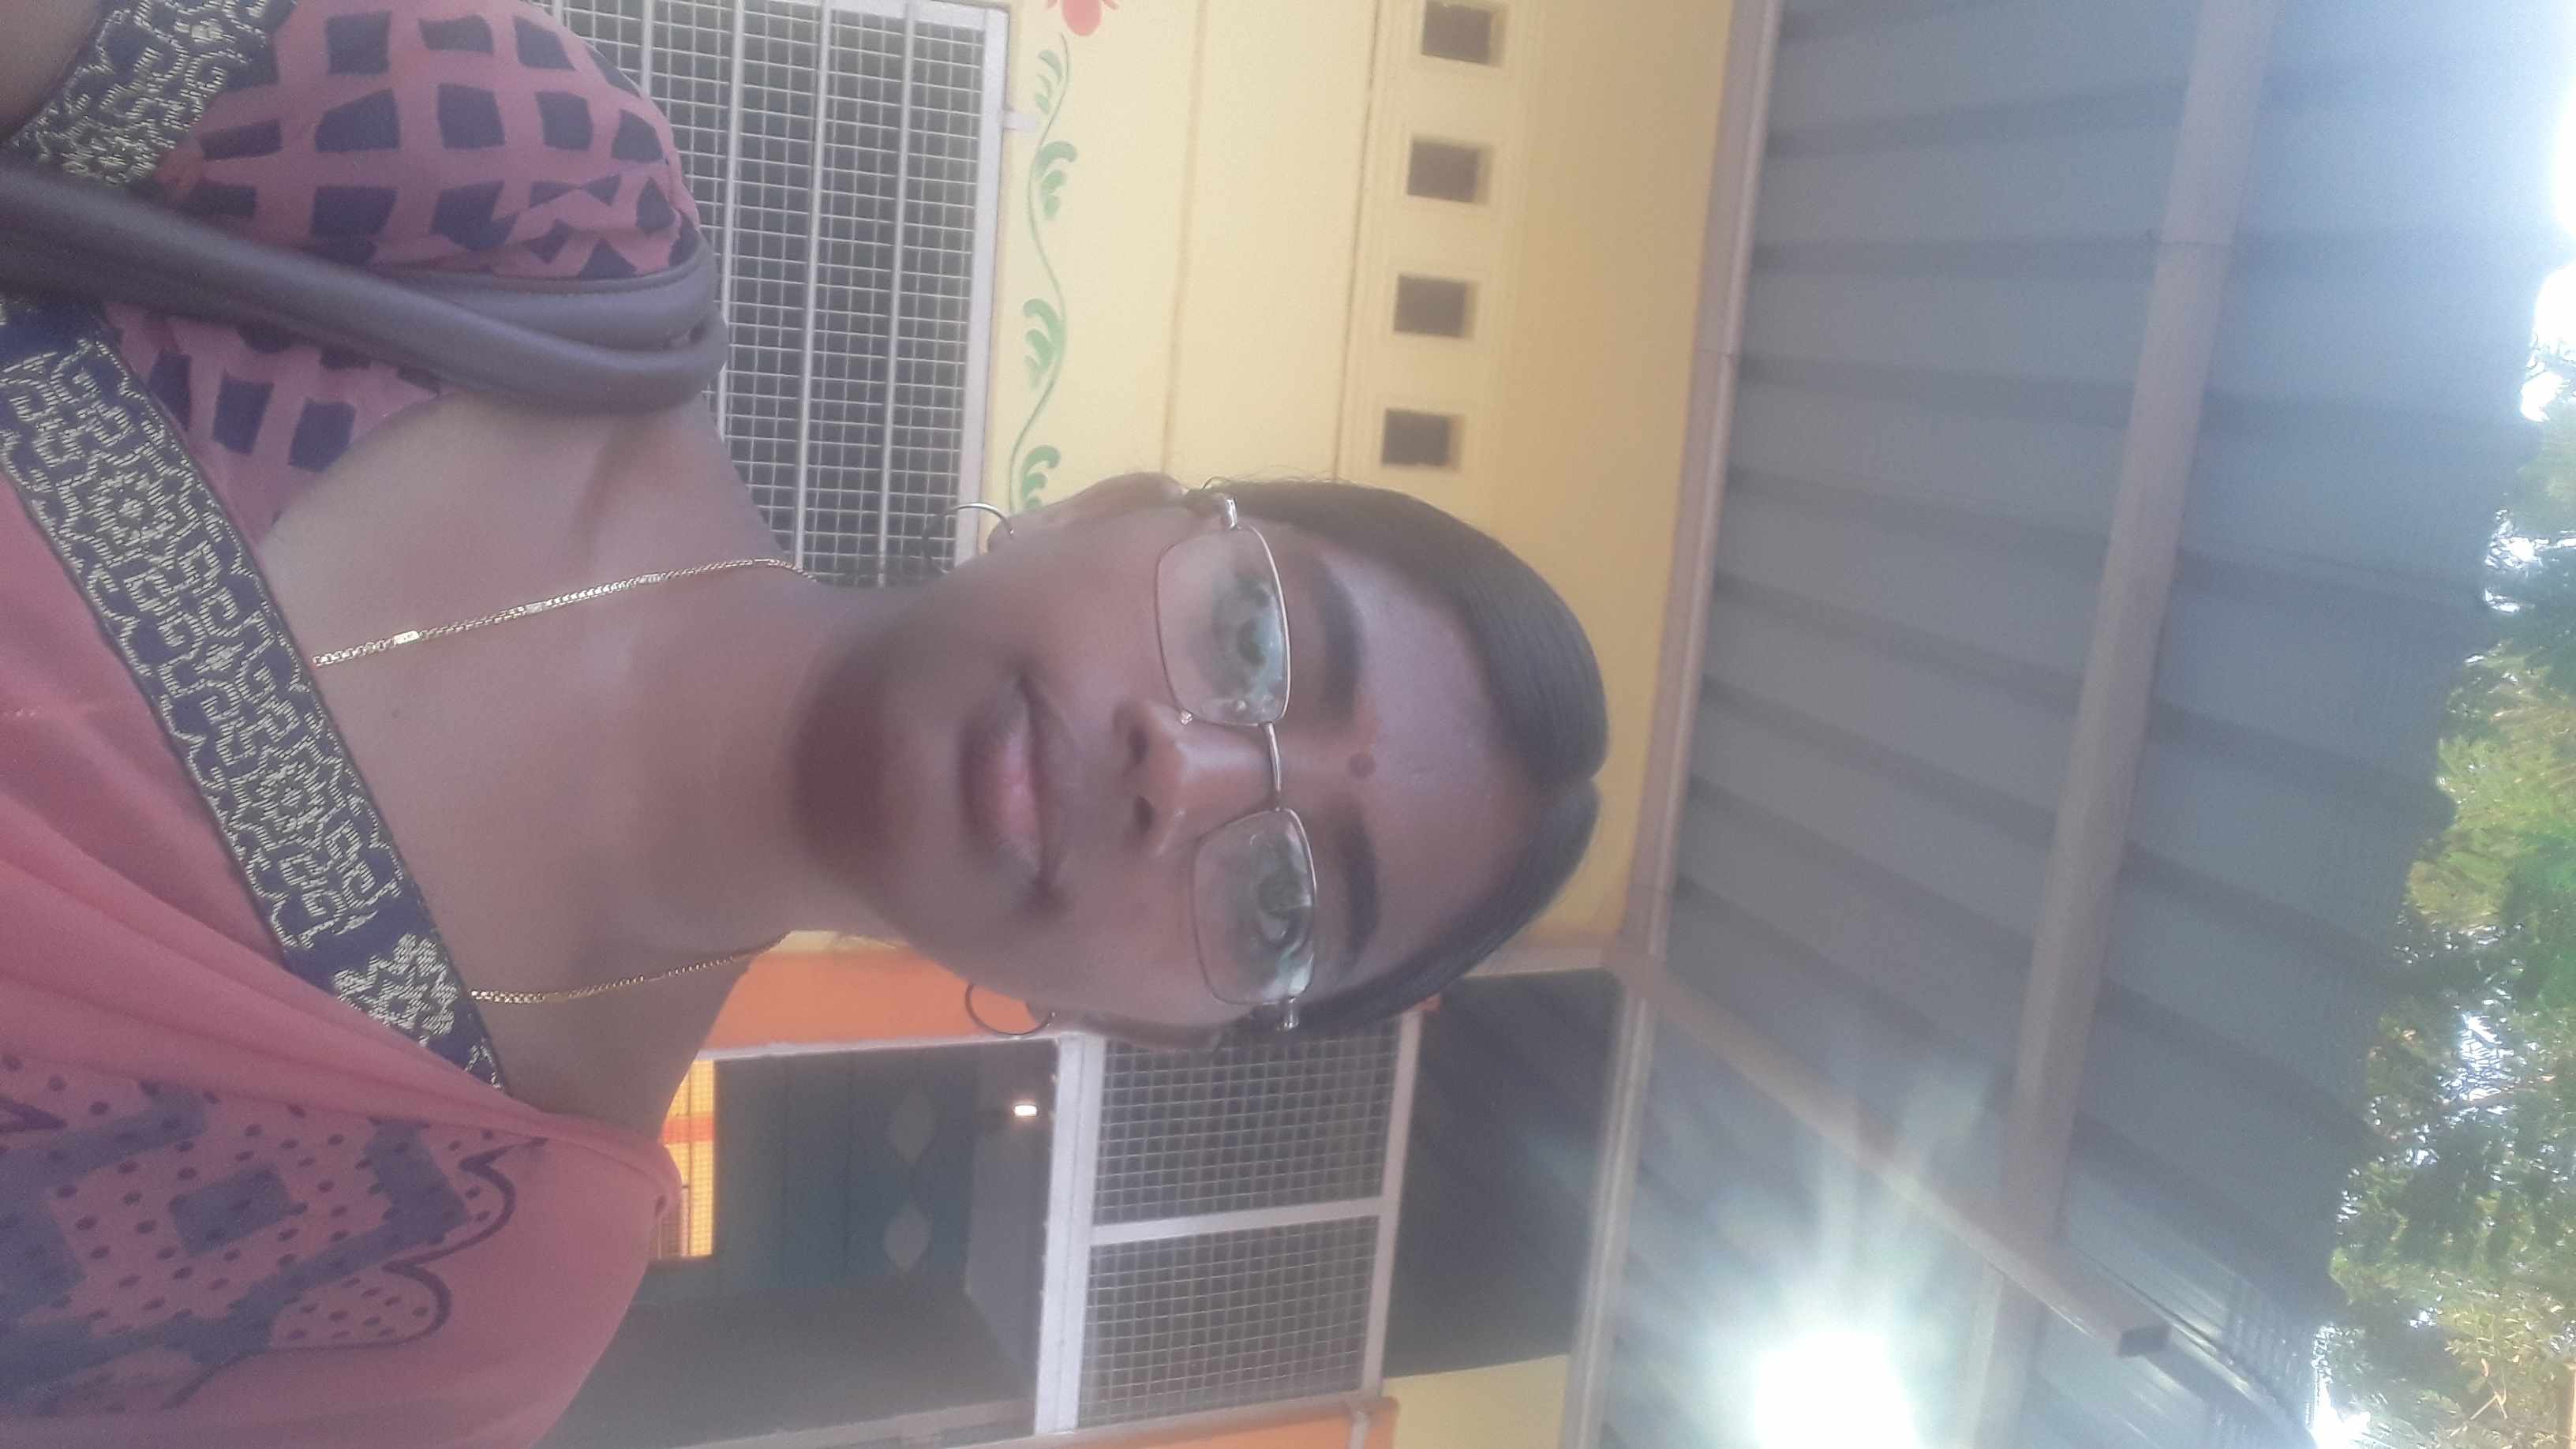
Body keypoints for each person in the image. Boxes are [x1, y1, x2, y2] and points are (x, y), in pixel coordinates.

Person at [0, 1, 1608, 1443]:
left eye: (1277, 904)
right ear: (1109, 506)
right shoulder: (540, 208)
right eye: (1256, 634)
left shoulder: (475, 1280)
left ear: (1148, 1028)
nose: (1176, 772)